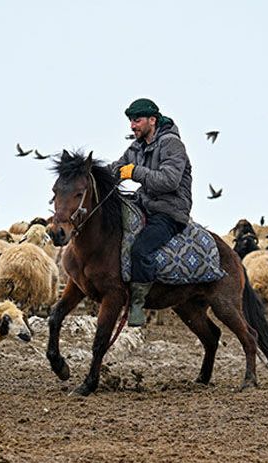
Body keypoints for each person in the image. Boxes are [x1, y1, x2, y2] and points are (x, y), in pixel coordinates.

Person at [110, 98, 193, 326]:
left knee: (141, 249)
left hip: (170, 211)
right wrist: (89, 174)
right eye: (130, 121)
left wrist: (135, 172)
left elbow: (169, 181)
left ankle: (137, 304)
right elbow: (116, 168)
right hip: (145, 205)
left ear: (152, 120)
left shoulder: (171, 144)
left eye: (136, 120)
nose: (132, 126)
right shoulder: (137, 146)